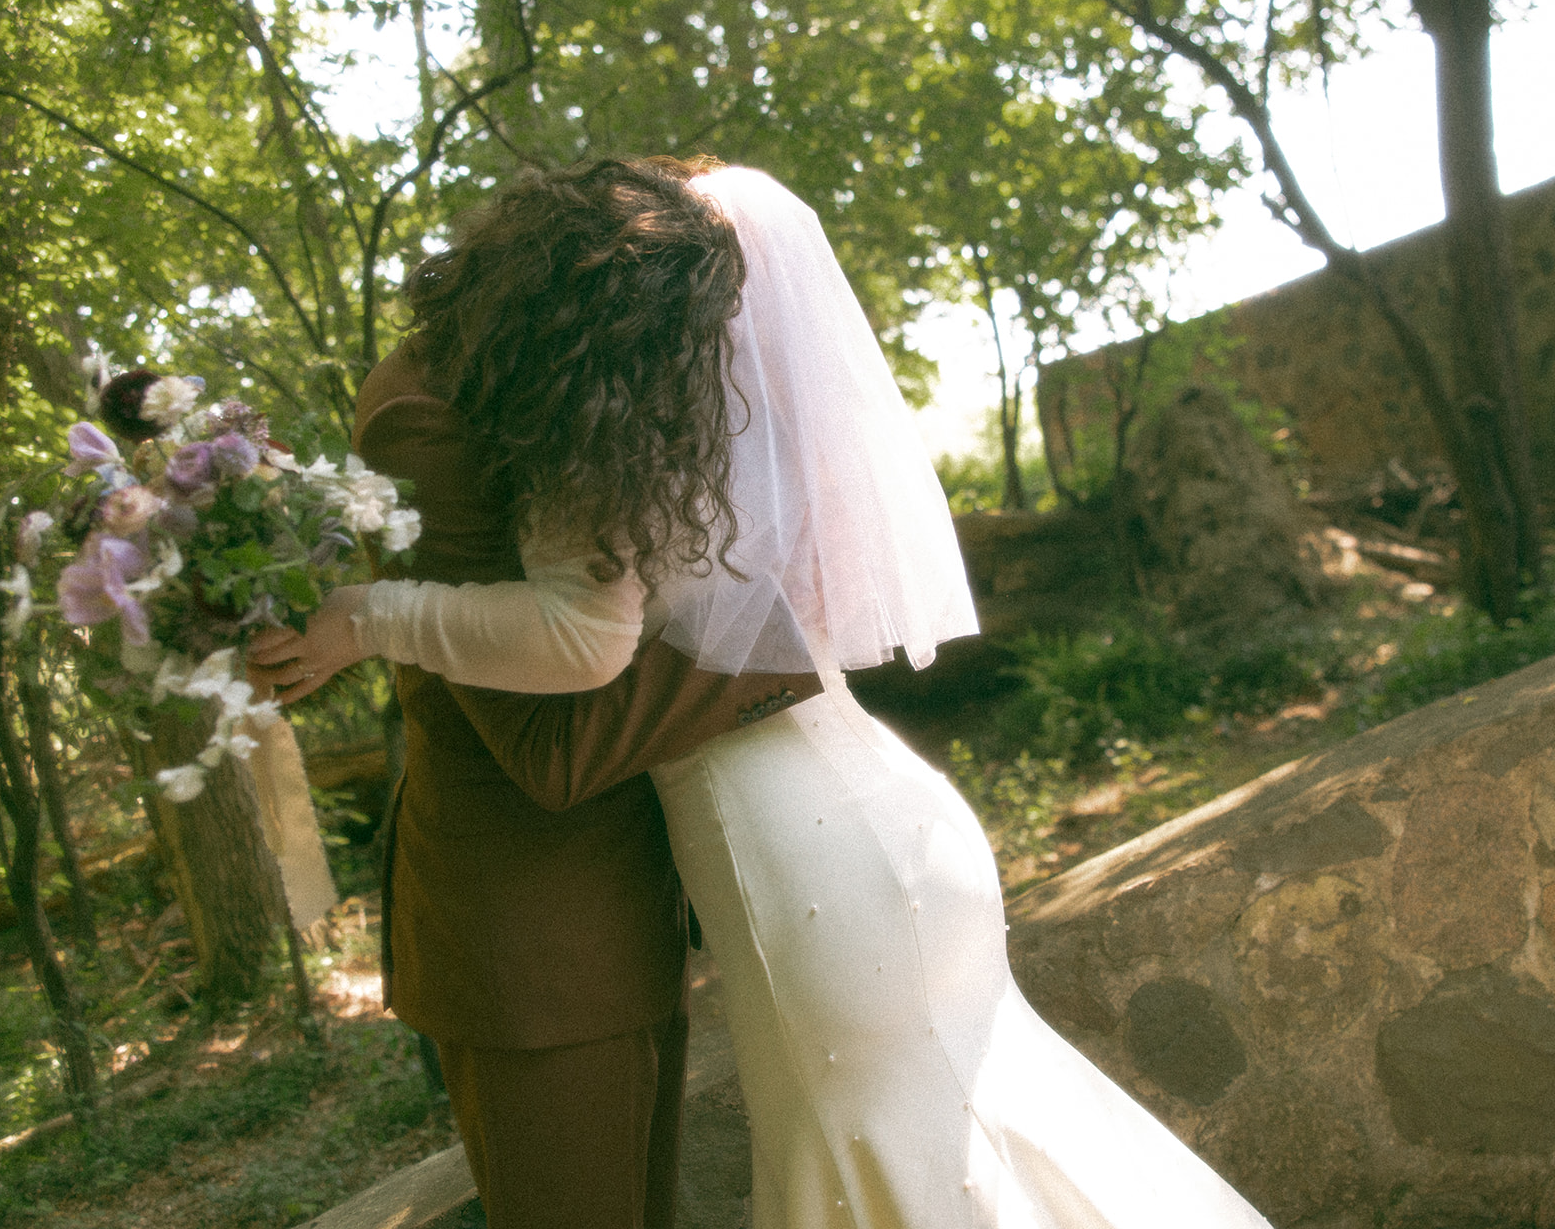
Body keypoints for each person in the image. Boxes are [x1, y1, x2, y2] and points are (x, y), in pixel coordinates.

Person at [256, 159, 1272, 1227]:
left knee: (902, 1168)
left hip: (809, 867)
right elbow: (560, 718)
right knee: (965, 1149)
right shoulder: (621, 413)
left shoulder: (616, 415)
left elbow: (588, 642)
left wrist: (368, 616)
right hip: (878, 822)